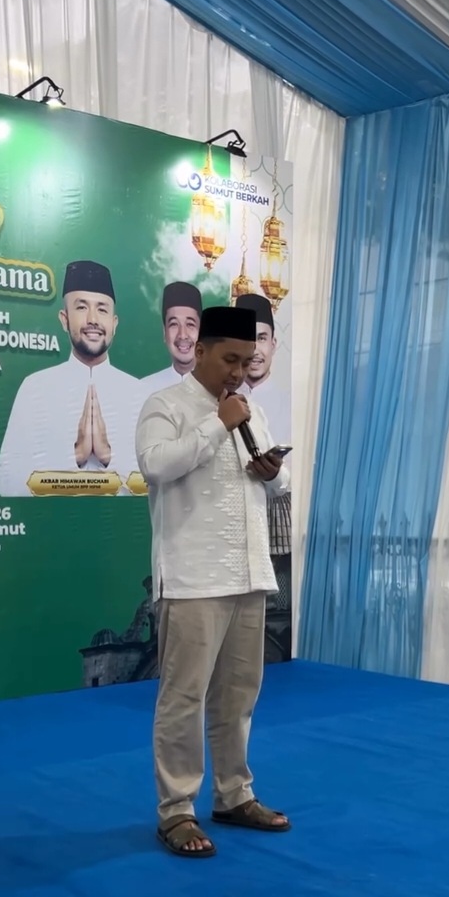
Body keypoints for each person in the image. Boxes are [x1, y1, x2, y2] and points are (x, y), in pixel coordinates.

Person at [135, 304, 292, 858]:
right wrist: (216, 423)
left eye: (247, 361)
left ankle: (234, 795)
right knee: (184, 698)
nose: (239, 372)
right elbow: (155, 466)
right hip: (193, 576)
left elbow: (276, 483)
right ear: (199, 351)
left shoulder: (252, 410)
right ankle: (176, 810)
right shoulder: (165, 405)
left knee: (239, 695)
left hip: (249, 572)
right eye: (230, 359)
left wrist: (274, 473)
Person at [0, 260, 142, 496]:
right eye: (82, 307)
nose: (93, 319)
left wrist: (107, 457)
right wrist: (75, 456)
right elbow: (6, 480)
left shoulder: (138, 393)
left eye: (102, 309)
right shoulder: (36, 387)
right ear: (64, 319)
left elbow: (157, 483)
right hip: (52, 519)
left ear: (114, 323)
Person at [235, 293, 291, 445]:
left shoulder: (290, 407)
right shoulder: (219, 403)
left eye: (261, 338)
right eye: (247, 338)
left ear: (273, 344)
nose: (254, 350)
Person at [140, 281, 202, 393]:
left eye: (190, 324)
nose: (182, 335)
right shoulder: (144, 389)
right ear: (164, 332)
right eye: (174, 324)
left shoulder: (219, 389)